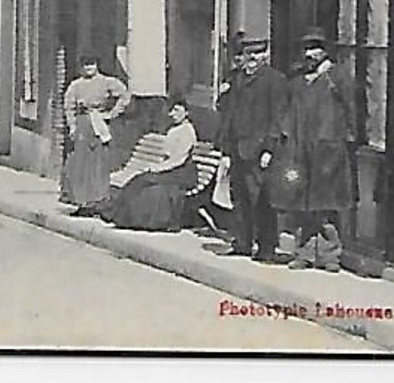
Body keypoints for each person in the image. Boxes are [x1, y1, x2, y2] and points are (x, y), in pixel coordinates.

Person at [270, 29, 358, 272]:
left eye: (315, 48)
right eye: (306, 49)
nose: (310, 54)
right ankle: (305, 252)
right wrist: (284, 140)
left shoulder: (338, 78)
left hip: (329, 150)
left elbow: (352, 111)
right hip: (301, 150)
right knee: (303, 203)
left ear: (325, 50)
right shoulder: (297, 81)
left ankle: (330, 255)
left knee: (326, 204)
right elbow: (285, 113)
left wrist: (348, 140)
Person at [216, 35, 288, 261]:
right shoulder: (237, 80)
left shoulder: (275, 80)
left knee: (262, 200)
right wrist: (226, 150)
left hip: (260, 151)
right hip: (238, 148)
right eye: (248, 54)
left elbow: (278, 117)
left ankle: (266, 247)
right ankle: (242, 242)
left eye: (257, 54)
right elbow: (229, 115)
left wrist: (269, 148)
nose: (252, 58)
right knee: (240, 198)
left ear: (265, 56)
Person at [102, 95, 198, 231]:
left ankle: (134, 218)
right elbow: (169, 156)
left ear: (186, 112)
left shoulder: (187, 131)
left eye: (177, 110)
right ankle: (121, 214)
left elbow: (179, 159)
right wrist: (157, 168)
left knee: (146, 181)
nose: (173, 114)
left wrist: (157, 169)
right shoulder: (174, 129)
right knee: (140, 179)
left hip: (183, 172)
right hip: (172, 168)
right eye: (171, 111)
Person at [62, 55, 131, 214]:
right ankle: (82, 202)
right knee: (80, 162)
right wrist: (72, 126)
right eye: (85, 65)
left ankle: (98, 200)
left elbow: (124, 95)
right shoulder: (76, 85)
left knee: (98, 162)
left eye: (91, 64)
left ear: (97, 65)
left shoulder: (107, 82)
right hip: (83, 125)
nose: (89, 68)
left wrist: (112, 113)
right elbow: (69, 106)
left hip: (99, 124)